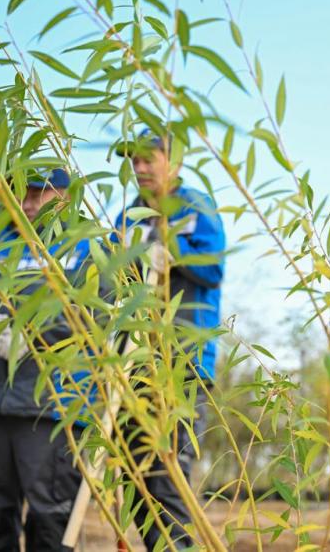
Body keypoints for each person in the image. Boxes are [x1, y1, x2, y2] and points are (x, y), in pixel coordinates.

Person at [0, 169, 91, 551]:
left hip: (53, 408)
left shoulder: (84, 246)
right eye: (21, 192)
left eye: (40, 193)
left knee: (49, 518)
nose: (29, 202)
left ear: (66, 196)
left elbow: (95, 318)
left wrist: (27, 333)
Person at [113, 128, 225, 549]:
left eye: (148, 159)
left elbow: (213, 267)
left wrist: (171, 248)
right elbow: (108, 282)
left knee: (167, 478)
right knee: (136, 482)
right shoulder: (128, 218)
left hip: (183, 365)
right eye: (134, 161)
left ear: (173, 161)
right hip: (134, 365)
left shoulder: (194, 206)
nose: (140, 168)